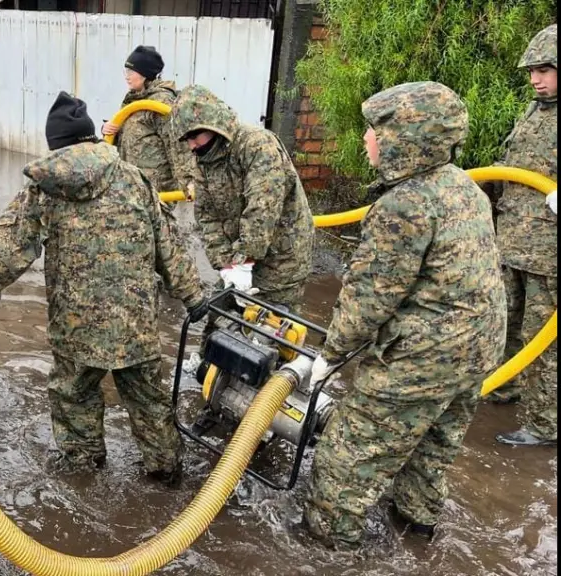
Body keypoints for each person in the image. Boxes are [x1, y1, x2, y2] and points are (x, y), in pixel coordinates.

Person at [0, 92, 209, 486]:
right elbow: (168, 248)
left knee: (74, 397)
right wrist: (196, 297)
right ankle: (167, 479)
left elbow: (8, 255)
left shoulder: (44, 189)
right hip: (135, 326)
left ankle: (84, 480)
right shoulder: (135, 179)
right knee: (150, 404)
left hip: (76, 328)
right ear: (90, 137)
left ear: (56, 145)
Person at [302, 81, 507, 549]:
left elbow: (371, 298)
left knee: (345, 458)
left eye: (375, 130)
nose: (366, 139)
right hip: (476, 350)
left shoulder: (404, 205)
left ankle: (327, 545)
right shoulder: (463, 186)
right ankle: (417, 530)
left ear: (405, 139)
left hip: (423, 358)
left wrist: (329, 354)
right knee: (431, 450)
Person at [169, 85, 314, 345]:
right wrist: (226, 265)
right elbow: (207, 216)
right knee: (220, 326)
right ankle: (211, 372)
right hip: (238, 258)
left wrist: (244, 262)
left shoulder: (256, 145)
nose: (192, 145)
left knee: (273, 333)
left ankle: (278, 378)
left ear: (213, 124)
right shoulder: (203, 160)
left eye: (195, 136)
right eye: (186, 139)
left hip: (281, 257)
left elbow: (262, 208)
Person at [486, 24, 558, 448]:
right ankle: (503, 386)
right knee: (505, 323)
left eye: (545, 69)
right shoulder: (535, 110)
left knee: (542, 342)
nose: (535, 78)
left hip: (548, 255)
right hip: (513, 243)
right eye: (532, 70)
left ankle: (544, 424)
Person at [101, 46, 193, 195]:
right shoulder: (133, 99)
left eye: (131, 72)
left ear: (145, 74)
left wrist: (187, 183)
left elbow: (177, 144)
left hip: (155, 192)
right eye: (126, 71)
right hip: (132, 188)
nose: (127, 76)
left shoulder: (162, 102)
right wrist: (109, 130)